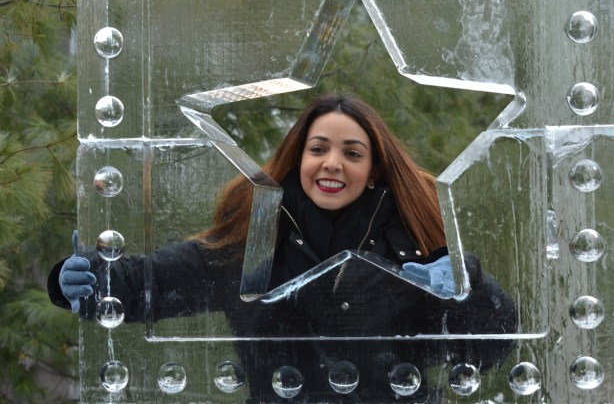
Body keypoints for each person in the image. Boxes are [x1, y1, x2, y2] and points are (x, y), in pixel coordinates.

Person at [48, 93, 516, 402]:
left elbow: (490, 345)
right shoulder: (249, 243)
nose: (332, 163)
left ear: (373, 169)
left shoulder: (413, 252)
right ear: (299, 157)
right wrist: (85, 276)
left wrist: (465, 283)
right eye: (319, 149)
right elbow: (147, 283)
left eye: (352, 153)